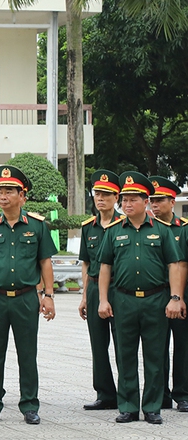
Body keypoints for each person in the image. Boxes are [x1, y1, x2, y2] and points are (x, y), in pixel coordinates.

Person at [0, 165, 57, 425]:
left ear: (23, 196)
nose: (3, 195)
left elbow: (45, 262)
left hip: (25, 298)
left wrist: (49, 295)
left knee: (27, 354)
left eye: (9, 191)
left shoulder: (38, 226)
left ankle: (29, 405)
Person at [98, 171, 185, 425]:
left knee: (155, 356)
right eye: (124, 200)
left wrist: (175, 297)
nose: (126, 204)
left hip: (156, 300)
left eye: (133, 199)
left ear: (145, 202)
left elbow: (174, 265)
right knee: (125, 355)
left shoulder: (162, 230)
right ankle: (127, 406)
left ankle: (152, 407)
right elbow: (105, 267)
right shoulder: (114, 231)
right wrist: (103, 300)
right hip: (123, 300)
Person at [78, 170, 122, 411]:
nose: (100, 198)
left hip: (119, 287)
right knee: (98, 344)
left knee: (122, 343)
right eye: (97, 194)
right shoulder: (89, 227)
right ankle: (105, 394)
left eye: (106, 194)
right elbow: (86, 263)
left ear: (117, 198)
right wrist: (85, 296)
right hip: (95, 288)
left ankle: (126, 394)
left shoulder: (123, 225)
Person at [148, 176, 188, 412]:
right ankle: (160, 393)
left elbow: (183, 264)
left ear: (172, 202)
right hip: (154, 295)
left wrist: (179, 297)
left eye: (159, 200)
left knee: (182, 345)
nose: (154, 205)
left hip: (179, 295)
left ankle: (182, 394)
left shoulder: (182, 229)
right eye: (151, 200)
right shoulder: (145, 228)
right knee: (156, 347)